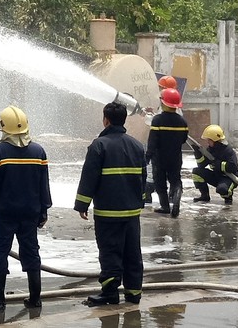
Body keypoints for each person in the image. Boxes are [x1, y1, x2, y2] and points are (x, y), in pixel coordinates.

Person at [0, 106, 51, 311]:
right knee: (31, 251)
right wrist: (44, 210)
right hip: (30, 212)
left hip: (5, 213)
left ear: (3, 126)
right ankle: (35, 298)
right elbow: (43, 183)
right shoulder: (38, 151)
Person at [74, 102, 147, 306]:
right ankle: (134, 293)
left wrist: (82, 204)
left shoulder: (99, 145)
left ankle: (110, 293)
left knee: (110, 252)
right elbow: (143, 177)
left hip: (108, 213)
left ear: (105, 120)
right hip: (132, 212)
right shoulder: (137, 145)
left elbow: (89, 177)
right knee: (133, 253)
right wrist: (140, 201)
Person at [146, 88, 189, 217]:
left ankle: (165, 207)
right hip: (176, 157)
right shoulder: (182, 122)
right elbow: (184, 139)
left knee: (160, 182)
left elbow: (152, 141)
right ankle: (176, 198)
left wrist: (147, 156)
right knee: (175, 180)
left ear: (163, 103)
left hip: (159, 157)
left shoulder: (157, 120)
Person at [144, 75, 179, 205]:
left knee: (158, 176)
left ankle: (153, 195)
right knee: (173, 176)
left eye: (160, 87)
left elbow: (157, 124)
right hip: (173, 152)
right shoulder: (175, 110)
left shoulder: (166, 112)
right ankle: (173, 196)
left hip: (160, 151)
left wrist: (148, 116)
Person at [191, 124, 238, 205]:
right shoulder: (210, 150)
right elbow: (201, 165)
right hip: (217, 175)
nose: (207, 141)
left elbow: (233, 167)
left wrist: (218, 164)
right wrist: (198, 154)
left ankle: (228, 197)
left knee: (222, 189)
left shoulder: (227, 150)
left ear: (214, 140)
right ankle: (205, 196)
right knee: (197, 172)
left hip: (229, 178)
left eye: (209, 140)